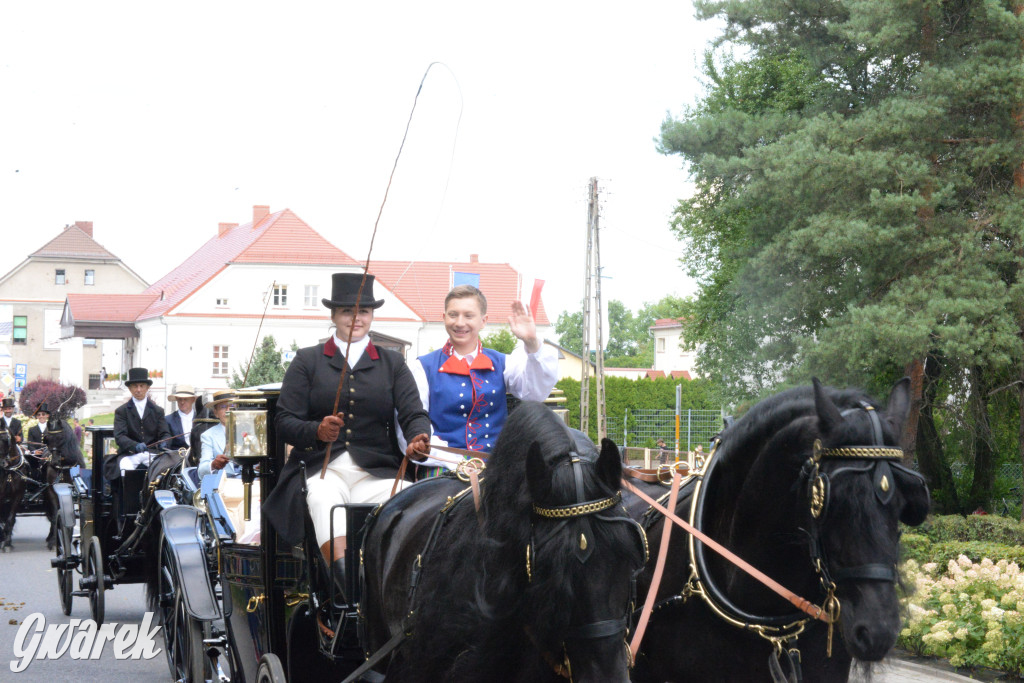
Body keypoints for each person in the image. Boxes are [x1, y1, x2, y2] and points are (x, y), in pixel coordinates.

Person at [263, 273, 431, 590]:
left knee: (410, 504)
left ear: (372, 316)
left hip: (379, 471)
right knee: (326, 504)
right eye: (347, 312)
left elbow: (413, 412)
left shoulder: (392, 363)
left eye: (363, 312)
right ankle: (347, 598)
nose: (356, 319)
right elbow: (284, 421)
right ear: (333, 315)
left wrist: (418, 437)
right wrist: (317, 431)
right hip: (322, 470)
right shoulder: (307, 361)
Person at [408, 284, 558, 477]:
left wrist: (531, 342)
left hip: (497, 468)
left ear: (483, 321)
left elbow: (535, 392)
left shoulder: (503, 362)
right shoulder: (422, 367)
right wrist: (457, 462)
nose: (460, 323)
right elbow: (414, 428)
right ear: (443, 317)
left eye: (469, 316)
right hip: (442, 467)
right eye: (453, 315)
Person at [106, 367, 172, 482]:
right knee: (124, 466)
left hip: (152, 454)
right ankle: (128, 498)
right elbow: (120, 436)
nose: (138, 390)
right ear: (130, 388)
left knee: (163, 471)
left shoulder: (158, 411)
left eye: (141, 386)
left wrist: (164, 443)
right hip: (130, 455)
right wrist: (135, 446)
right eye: (135, 386)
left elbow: (165, 433)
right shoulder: (122, 411)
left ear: (147, 388)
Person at [197, 389, 240, 479]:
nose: (228, 410)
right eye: (223, 407)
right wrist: (213, 465)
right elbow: (201, 471)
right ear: (216, 413)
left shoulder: (248, 431)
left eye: (232, 405)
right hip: (222, 485)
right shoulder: (208, 436)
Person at [166, 384, 199, 451]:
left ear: (192, 400)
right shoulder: (168, 420)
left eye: (186, 399)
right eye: (180, 399)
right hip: (176, 459)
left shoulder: (200, 419)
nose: (182, 402)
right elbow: (166, 444)